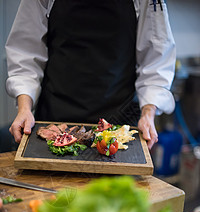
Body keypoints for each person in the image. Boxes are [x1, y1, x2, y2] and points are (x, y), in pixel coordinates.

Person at [5, 0, 176, 150]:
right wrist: (24, 109)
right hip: (55, 117)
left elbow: (156, 59)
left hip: (119, 123)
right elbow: (25, 52)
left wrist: (148, 114)